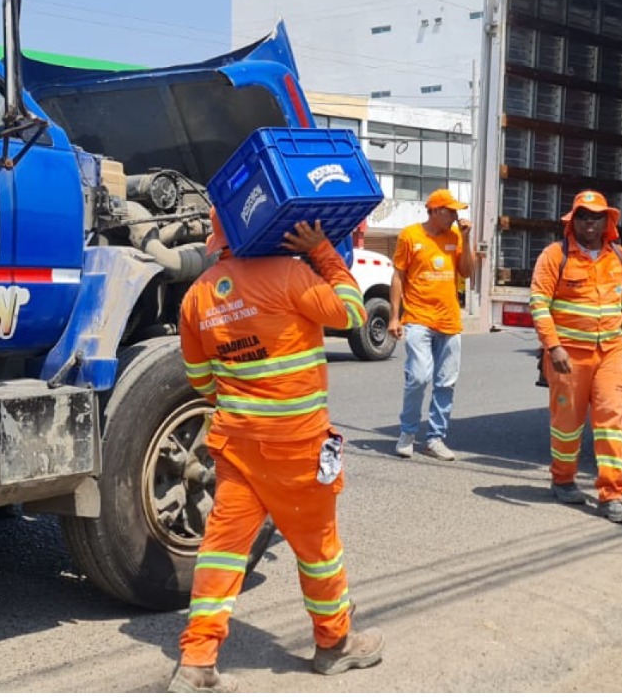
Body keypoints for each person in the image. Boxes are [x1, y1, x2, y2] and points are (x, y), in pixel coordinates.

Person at [170, 213, 384, 692]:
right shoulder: (290, 274)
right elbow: (352, 312)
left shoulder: (198, 295)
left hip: (237, 444)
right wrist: (323, 252)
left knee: (222, 552)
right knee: (318, 550)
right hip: (298, 446)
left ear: (216, 241)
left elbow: (202, 381)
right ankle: (334, 645)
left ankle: (197, 661)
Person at [530, 190, 622, 524]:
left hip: (611, 351)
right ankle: (562, 479)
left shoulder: (619, 256)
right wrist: (553, 346)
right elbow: (539, 303)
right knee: (567, 424)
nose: (589, 222)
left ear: (607, 221)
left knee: (611, 422)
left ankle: (612, 496)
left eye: (596, 216)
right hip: (568, 355)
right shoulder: (554, 255)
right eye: (583, 216)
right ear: (573, 221)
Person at [388, 189, 475, 461]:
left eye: (455, 211)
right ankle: (407, 433)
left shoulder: (455, 237)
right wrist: (394, 316)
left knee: (446, 382)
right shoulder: (410, 235)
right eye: (450, 211)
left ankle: (435, 439)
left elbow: (467, 271)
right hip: (418, 318)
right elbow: (398, 275)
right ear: (435, 211)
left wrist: (467, 238)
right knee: (418, 377)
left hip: (449, 320)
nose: (455, 216)